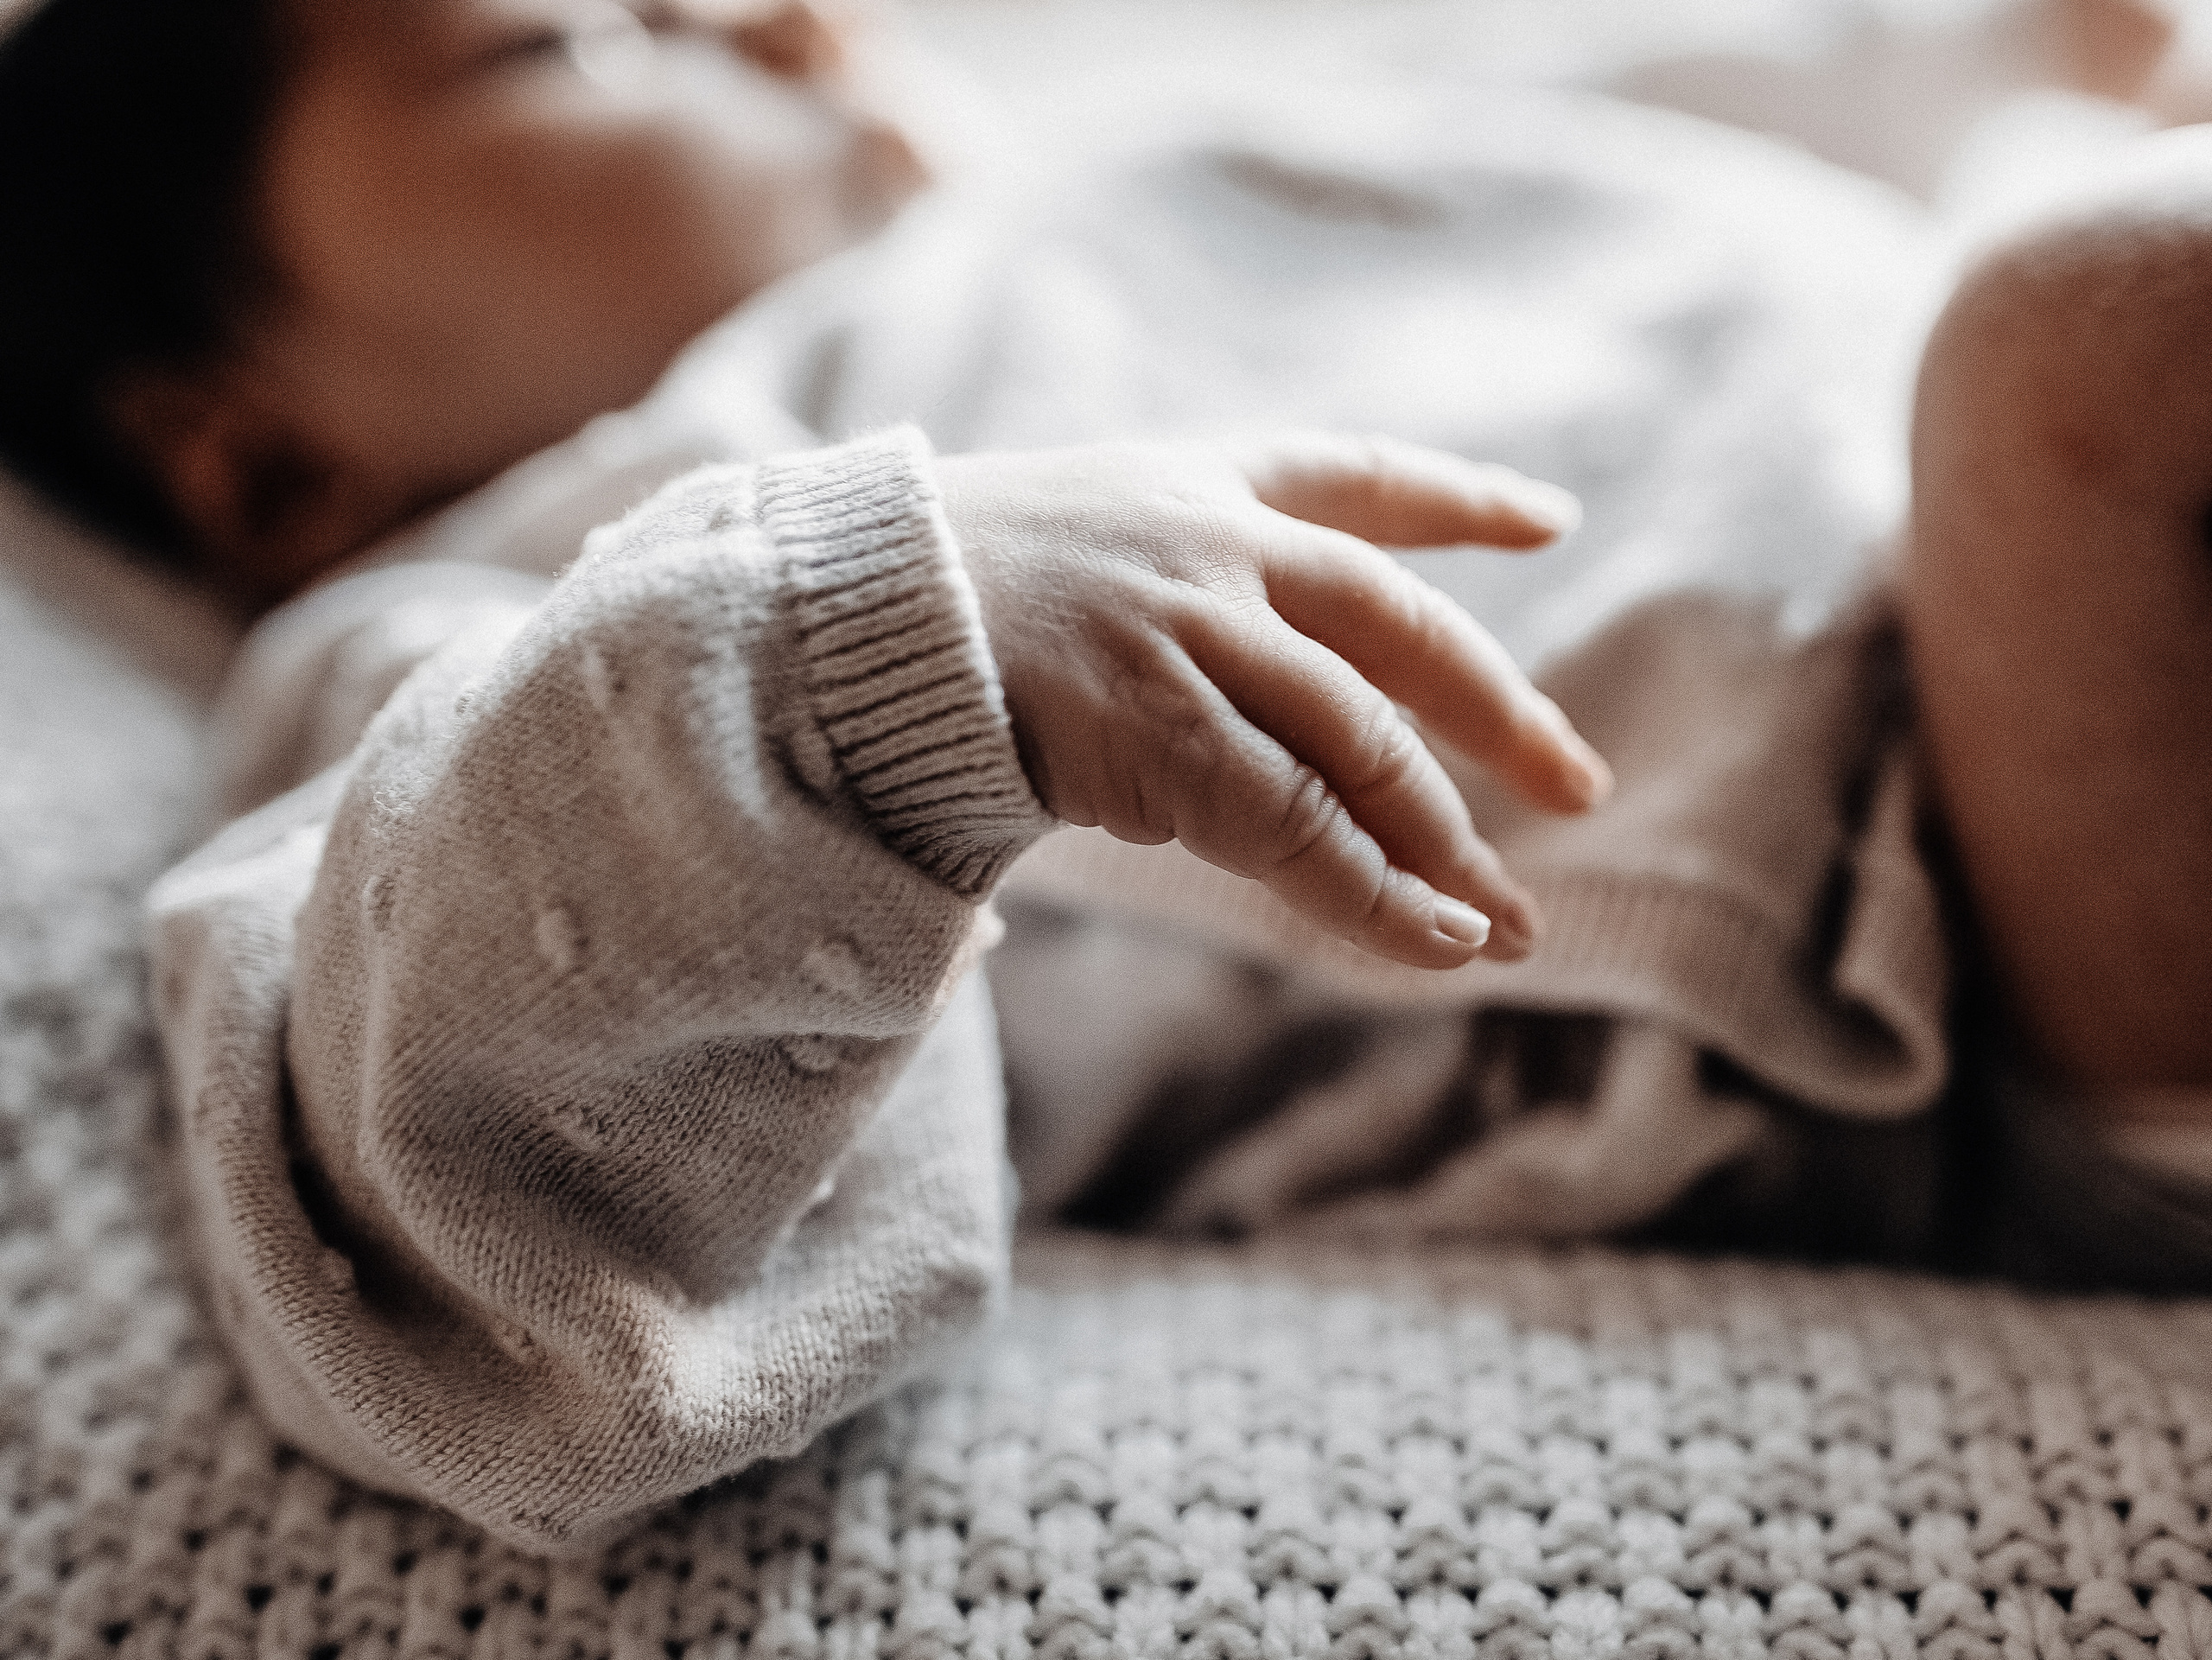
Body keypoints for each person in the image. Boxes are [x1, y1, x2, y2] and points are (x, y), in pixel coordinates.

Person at [0, 0, 2203, 1551]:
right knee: (2098, 319)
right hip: (1951, 952)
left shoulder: (1128, 173)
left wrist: (1994, 50)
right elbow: (440, 1178)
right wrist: (874, 641)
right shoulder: (509, 615)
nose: (776, 20)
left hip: (1996, 531)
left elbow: (1581, 131)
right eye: (578, 33)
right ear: (264, 459)